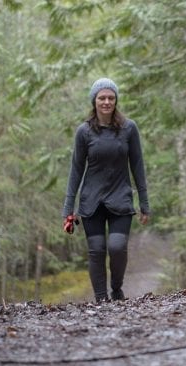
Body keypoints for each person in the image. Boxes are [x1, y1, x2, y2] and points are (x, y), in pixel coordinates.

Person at [62, 77, 151, 303]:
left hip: (120, 198)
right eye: (102, 98)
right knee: (97, 249)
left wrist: (144, 203)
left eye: (111, 98)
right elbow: (76, 171)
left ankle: (117, 288)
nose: (107, 102)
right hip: (91, 201)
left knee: (117, 246)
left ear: (116, 100)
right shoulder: (84, 131)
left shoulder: (129, 129)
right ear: (94, 101)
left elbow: (138, 167)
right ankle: (101, 297)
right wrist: (68, 209)